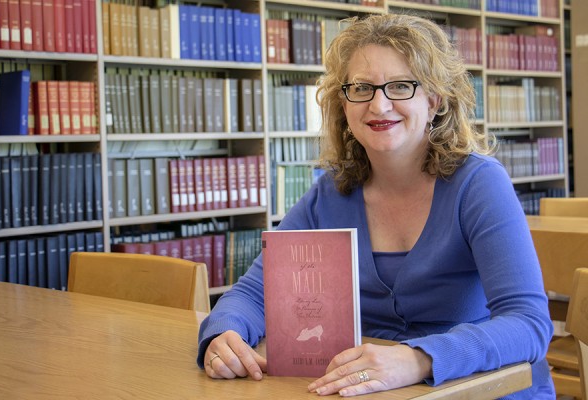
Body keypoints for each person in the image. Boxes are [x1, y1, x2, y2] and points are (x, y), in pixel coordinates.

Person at [197, 13, 554, 398]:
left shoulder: (479, 183)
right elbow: (255, 292)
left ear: (434, 100)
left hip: (480, 388)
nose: (379, 105)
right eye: (362, 88)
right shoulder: (330, 194)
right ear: (345, 106)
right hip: (370, 391)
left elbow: (528, 323)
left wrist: (418, 358)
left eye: (401, 86)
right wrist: (225, 333)